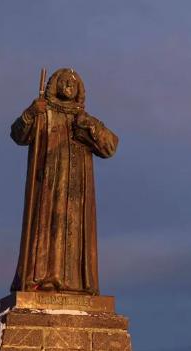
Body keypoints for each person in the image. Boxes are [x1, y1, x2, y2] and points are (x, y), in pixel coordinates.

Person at [9, 68, 118, 295]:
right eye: (64, 80)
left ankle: (75, 284)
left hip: (77, 192)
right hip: (47, 187)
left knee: (74, 233)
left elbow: (110, 147)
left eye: (73, 81)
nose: (69, 83)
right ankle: (41, 279)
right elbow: (18, 134)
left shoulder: (83, 119)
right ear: (54, 85)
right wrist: (30, 113)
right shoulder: (43, 114)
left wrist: (90, 125)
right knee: (47, 230)